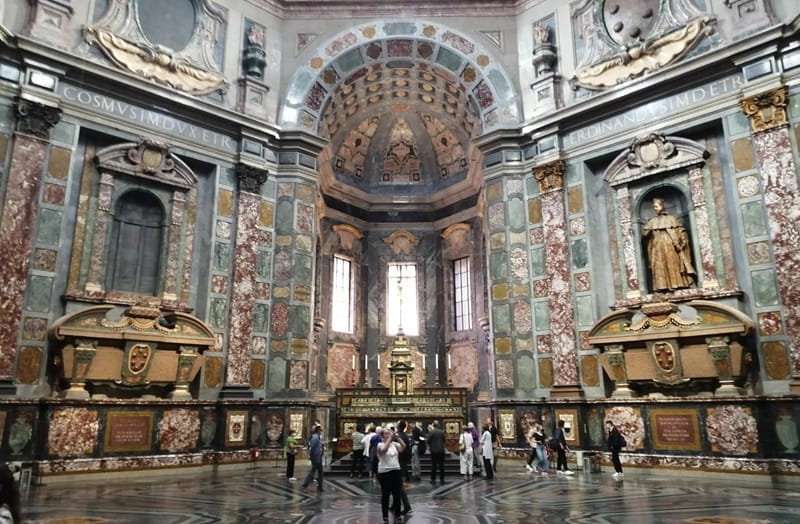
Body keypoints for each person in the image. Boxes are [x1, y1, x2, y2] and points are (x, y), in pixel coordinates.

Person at [642, 197, 696, 292]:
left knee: (674, 264)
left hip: (671, 247)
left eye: (656, 206)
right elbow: (645, 235)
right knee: (659, 266)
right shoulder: (652, 222)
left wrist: (682, 242)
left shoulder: (672, 219)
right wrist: (648, 231)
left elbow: (681, 231)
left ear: (662, 206)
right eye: (654, 207)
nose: (655, 209)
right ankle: (662, 287)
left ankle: (678, 284)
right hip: (657, 247)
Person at [377, 427, 411, 523]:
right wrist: (390, 439)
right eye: (386, 433)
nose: (388, 435)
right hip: (384, 472)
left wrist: (397, 438)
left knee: (397, 494)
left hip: (396, 470)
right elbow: (383, 450)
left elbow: (403, 447)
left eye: (389, 433)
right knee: (386, 494)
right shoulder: (380, 444)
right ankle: (385, 516)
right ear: (382, 435)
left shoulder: (394, 444)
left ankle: (398, 514)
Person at [301, 425, 325, 492]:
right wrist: (311, 456)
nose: (321, 432)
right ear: (318, 430)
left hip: (318, 457)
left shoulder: (318, 437)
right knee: (316, 472)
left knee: (316, 472)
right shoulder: (315, 437)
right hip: (316, 457)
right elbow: (313, 448)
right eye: (320, 430)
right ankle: (307, 484)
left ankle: (318, 486)